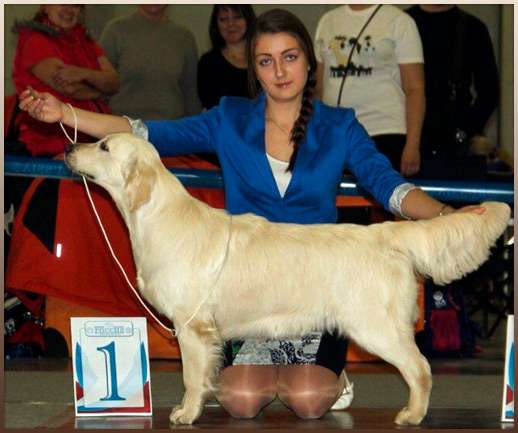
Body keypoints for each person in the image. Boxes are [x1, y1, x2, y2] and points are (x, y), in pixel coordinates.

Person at [19, 8, 481, 421]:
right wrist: (66, 111)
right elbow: (140, 131)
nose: (279, 71)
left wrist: (443, 215)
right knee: (239, 400)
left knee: (308, 400)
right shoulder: (228, 118)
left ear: (309, 61)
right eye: (266, 60)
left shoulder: (340, 125)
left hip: (322, 282)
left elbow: (389, 187)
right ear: (254, 69)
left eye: (290, 57)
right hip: (251, 294)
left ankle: (328, 378)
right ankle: (272, 374)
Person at [315, 4, 425, 177]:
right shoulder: (327, 21)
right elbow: (319, 88)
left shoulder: (400, 21)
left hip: (384, 131)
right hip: (336, 134)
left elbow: (414, 88)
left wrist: (412, 145)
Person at [12, 4, 119, 157]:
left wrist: (83, 73)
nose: (69, 9)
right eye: (63, 3)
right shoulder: (35, 40)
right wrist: (101, 91)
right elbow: (69, 87)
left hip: (92, 137)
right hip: (51, 142)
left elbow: (114, 82)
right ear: (45, 6)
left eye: (75, 5)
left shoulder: (86, 40)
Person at [406, 4, 500, 180]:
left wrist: (467, 130)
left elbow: (490, 91)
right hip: (407, 142)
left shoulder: (472, 28)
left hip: (456, 145)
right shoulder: (401, 24)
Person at [100, 4, 201, 120]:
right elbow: (100, 88)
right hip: (122, 130)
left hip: (169, 131)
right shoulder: (115, 31)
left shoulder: (185, 37)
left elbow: (191, 96)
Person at [197, 4, 256, 110]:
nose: (231, 24)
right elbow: (209, 106)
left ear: (248, 19)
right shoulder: (208, 63)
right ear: (216, 24)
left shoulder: (264, 59)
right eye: (223, 19)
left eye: (237, 17)